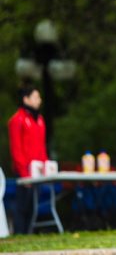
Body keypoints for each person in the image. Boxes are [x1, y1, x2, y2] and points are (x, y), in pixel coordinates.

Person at [7, 86, 48, 234]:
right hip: (24, 173)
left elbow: (42, 147)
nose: (39, 100)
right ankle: (20, 234)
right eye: (36, 97)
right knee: (22, 206)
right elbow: (16, 149)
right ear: (26, 99)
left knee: (34, 206)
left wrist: (45, 167)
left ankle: (30, 233)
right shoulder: (17, 120)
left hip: (37, 171)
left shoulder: (40, 120)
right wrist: (24, 174)